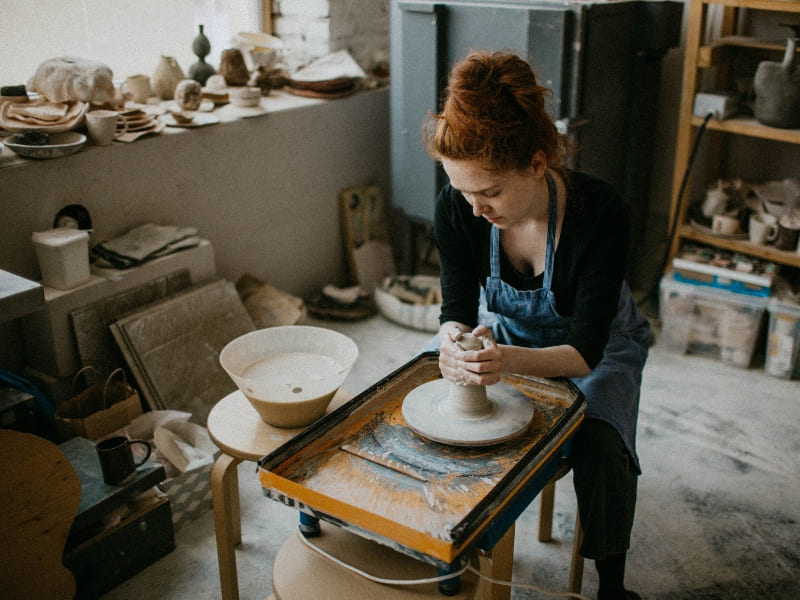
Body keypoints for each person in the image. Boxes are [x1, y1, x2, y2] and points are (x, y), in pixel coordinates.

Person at [421, 50, 652, 600]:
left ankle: (611, 587)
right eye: (463, 191)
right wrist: (454, 344)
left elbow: (585, 352)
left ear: (537, 161)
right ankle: (442, 541)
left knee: (600, 447)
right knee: (436, 412)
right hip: (509, 334)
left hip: (599, 346)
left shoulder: (601, 213)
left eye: (490, 192)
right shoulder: (459, 209)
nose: (475, 209)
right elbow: (456, 306)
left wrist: (502, 364)